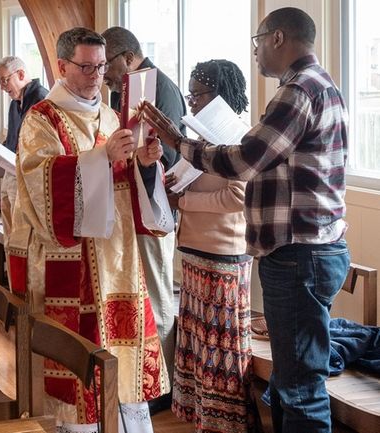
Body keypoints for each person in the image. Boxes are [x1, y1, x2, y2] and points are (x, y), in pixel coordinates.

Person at [143, 7, 350, 433]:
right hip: (311, 249)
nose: (255, 54)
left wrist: (179, 143)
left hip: (299, 254)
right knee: (294, 381)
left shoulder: (299, 90)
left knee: (299, 387)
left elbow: (245, 159)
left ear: (277, 38)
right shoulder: (321, 85)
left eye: (257, 43)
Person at [7, 27, 169, 432]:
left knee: (121, 361)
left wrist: (145, 165)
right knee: (80, 360)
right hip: (73, 260)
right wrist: (99, 158)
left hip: (118, 258)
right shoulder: (41, 119)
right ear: (61, 66)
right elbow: (40, 181)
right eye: (85, 67)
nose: (96, 75)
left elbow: (126, 182)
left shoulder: (113, 114)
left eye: (100, 66)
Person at [167, 59, 254, 433]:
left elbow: (238, 196)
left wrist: (183, 202)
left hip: (224, 252)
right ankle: (203, 419)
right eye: (190, 94)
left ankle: (225, 424)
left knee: (221, 348)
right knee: (199, 344)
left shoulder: (238, 136)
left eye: (197, 94)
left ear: (218, 95)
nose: (192, 102)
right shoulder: (203, 135)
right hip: (195, 248)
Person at [101, 27, 186, 401]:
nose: (104, 75)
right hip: (133, 202)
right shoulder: (129, 86)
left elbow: (168, 154)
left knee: (156, 293)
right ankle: (142, 378)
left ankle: (161, 386)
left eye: (108, 66)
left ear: (128, 57)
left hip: (155, 204)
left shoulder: (156, 88)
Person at [0, 55, 48, 238]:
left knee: (22, 228)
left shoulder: (41, 99)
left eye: (4, 80)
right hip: (12, 169)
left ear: (21, 74)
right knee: (9, 217)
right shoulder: (14, 103)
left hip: (29, 174)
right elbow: (12, 139)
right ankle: (12, 263)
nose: (2, 87)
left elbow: (40, 142)